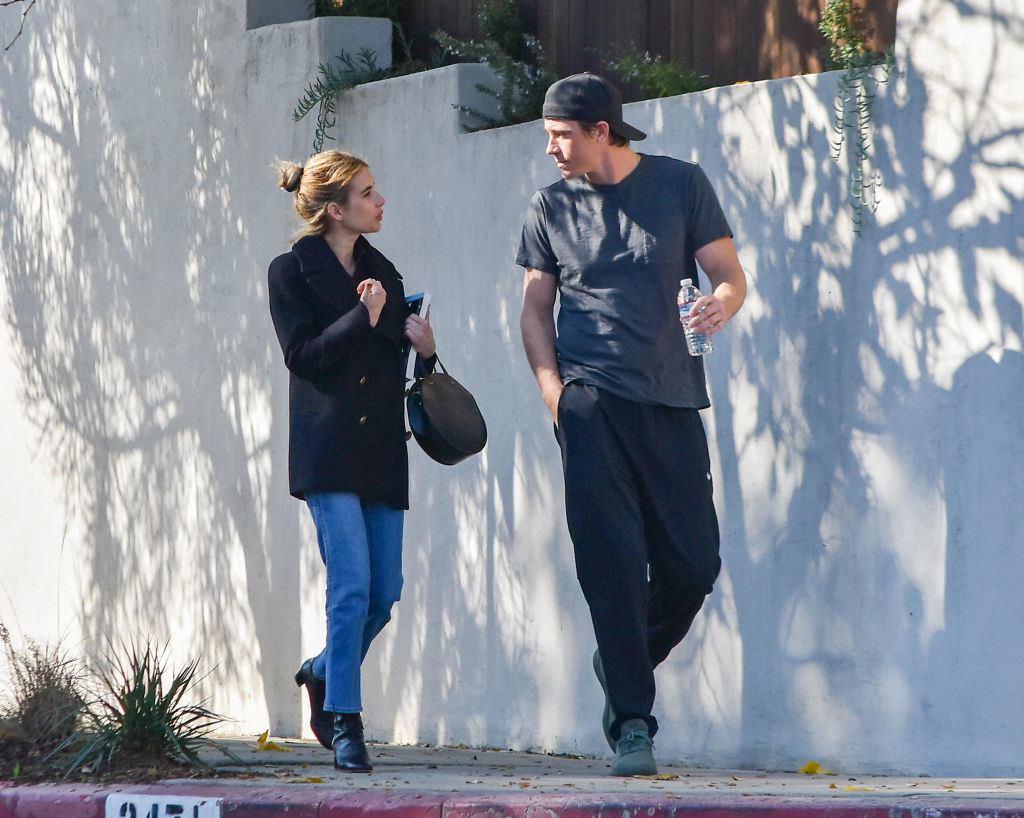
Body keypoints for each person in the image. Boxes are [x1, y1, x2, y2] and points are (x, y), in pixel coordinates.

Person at [516, 73, 746, 776]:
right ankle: (634, 726)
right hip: (590, 404)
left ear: (601, 132)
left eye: (562, 136)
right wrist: (556, 396)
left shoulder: (681, 186)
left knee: (692, 564)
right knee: (612, 563)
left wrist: (721, 306)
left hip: (672, 400)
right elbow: (534, 312)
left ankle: (620, 663)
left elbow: (729, 276)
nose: (552, 149)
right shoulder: (549, 207)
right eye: (549, 135)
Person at [268, 149, 436, 772]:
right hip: (327, 450)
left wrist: (424, 349)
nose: (380, 200)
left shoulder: (384, 271)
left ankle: (319, 670)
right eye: (368, 192)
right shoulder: (290, 272)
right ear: (336, 209)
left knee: (384, 592)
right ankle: (346, 719)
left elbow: (391, 364)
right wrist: (361, 318)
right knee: (352, 587)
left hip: (381, 452)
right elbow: (303, 357)